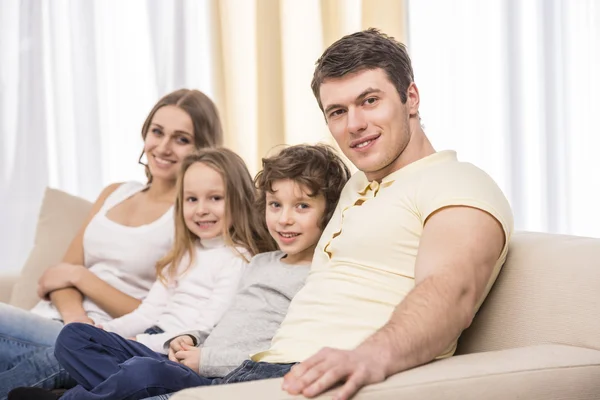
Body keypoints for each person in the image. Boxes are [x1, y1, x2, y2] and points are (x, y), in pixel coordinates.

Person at [154, 28, 514, 400]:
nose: (353, 124)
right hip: (255, 370)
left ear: (411, 97)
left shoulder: (458, 182)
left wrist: (369, 357)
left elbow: (450, 292)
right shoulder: (354, 187)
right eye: (337, 112)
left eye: (370, 100)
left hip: (318, 377)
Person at [35, 144, 349, 400]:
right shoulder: (261, 263)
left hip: (221, 378)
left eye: (302, 207)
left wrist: (206, 360)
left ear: (330, 210)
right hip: (190, 360)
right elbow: (220, 324)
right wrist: (189, 339)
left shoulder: (317, 277)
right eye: (275, 205)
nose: (284, 219)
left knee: (142, 371)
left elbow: (282, 353)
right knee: (73, 337)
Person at [0, 88, 223, 398]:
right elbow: (57, 274)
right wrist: (75, 316)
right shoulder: (115, 192)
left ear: (202, 148)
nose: (163, 146)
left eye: (181, 139)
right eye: (157, 132)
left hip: (104, 334)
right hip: (59, 320)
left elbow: (159, 312)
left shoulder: (193, 216)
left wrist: (81, 279)